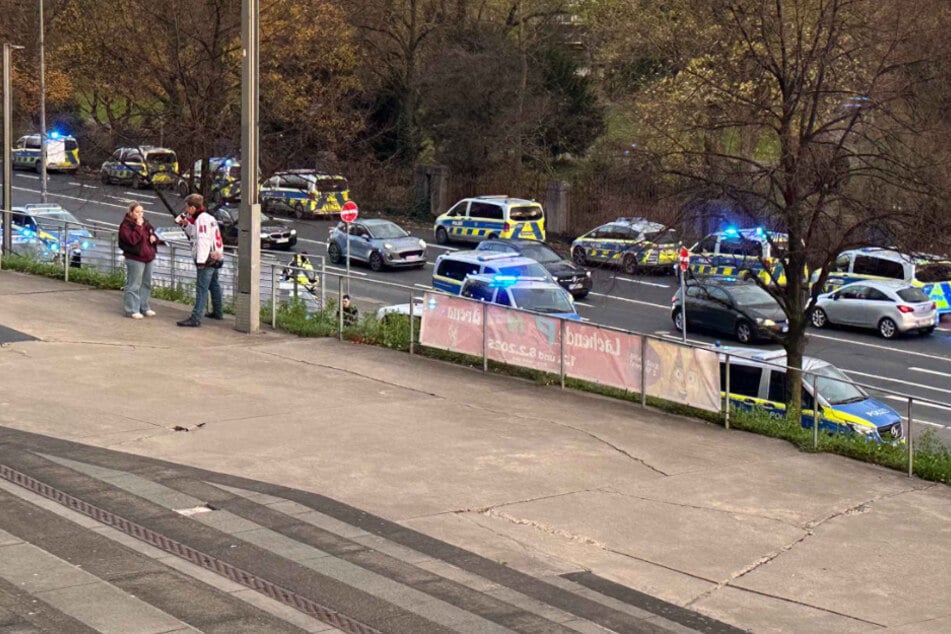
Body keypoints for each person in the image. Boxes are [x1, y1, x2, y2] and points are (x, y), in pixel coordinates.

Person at [175, 193, 224, 327]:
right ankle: (218, 312)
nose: (186, 210)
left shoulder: (201, 220)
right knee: (214, 284)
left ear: (192, 207)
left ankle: (196, 318)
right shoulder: (208, 218)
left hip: (207, 258)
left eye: (187, 207)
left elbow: (202, 240)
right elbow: (196, 234)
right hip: (216, 255)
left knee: (201, 288)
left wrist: (200, 261)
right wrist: (185, 225)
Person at [118, 202, 159, 319]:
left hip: (148, 256)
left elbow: (153, 233)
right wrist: (138, 227)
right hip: (135, 257)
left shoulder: (146, 223)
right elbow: (132, 240)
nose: (140, 214)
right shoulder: (126, 225)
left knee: (146, 283)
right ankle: (131, 309)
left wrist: (154, 238)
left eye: (142, 212)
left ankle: (144, 306)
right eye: (137, 212)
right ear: (131, 212)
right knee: (134, 284)